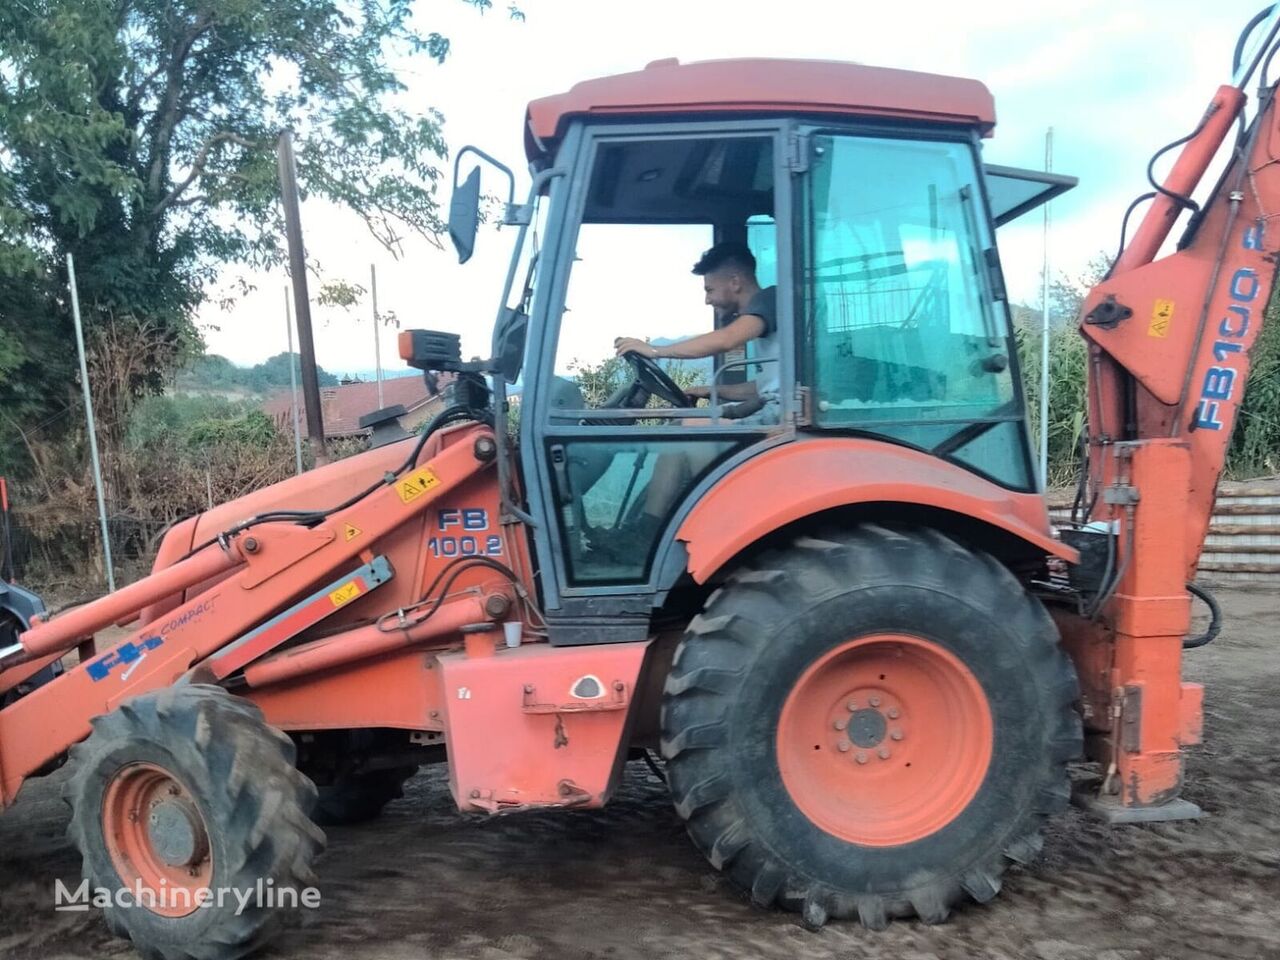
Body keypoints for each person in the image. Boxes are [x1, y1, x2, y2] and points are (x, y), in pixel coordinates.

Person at [602, 242, 780, 545]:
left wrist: (656, 350)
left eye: (710, 289)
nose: (707, 299)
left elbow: (726, 340)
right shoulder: (770, 319)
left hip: (781, 417)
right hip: (771, 409)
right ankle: (644, 533)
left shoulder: (770, 300)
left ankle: (725, 528)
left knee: (690, 430)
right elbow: (762, 386)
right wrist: (710, 390)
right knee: (677, 437)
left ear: (735, 282)